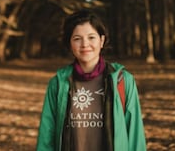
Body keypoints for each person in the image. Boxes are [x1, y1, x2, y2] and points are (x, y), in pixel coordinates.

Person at [36, 10, 146, 151]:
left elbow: (135, 134)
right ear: (69, 44)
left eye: (91, 37)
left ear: (102, 40)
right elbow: (47, 135)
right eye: (77, 39)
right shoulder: (58, 83)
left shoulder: (123, 81)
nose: (84, 44)